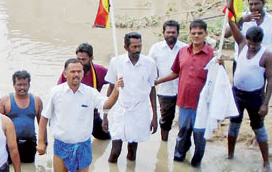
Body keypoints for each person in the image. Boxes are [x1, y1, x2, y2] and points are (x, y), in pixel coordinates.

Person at [39, 58, 123, 172]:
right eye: (72, 72)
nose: (76, 74)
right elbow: (44, 118)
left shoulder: (90, 93)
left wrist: (116, 90)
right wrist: (41, 142)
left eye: (79, 71)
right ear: (65, 74)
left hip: (83, 145)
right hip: (61, 144)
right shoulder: (55, 92)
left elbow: (107, 105)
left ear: (83, 73)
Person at [155, 20, 215, 168]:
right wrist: (158, 81)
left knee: (199, 135)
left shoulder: (213, 55)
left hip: (202, 104)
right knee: (182, 133)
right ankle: (179, 161)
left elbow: (217, 80)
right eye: (193, 33)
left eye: (200, 33)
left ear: (205, 34)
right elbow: (175, 72)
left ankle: (196, 163)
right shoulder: (182, 52)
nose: (196, 36)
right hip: (184, 102)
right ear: (189, 34)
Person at [226, 0, 272, 170]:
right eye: (250, 43)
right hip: (237, 94)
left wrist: (265, 104)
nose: (252, 46)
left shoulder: (267, 55)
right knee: (233, 126)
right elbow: (232, 24)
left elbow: (270, 80)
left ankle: (266, 162)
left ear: (260, 42)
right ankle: (230, 155)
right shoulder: (241, 44)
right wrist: (230, 6)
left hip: (255, 96)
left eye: (255, 44)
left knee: (259, 129)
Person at [105, 32, 159, 163]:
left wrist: (155, 116)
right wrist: (105, 115)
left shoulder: (149, 63)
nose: (137, 50)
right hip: (120, 109)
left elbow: (152, 89)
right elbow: (110, 91)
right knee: (115, 151)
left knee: (132, 151)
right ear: (126, 47)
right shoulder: (116, 62)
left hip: (139, 110)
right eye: (134, 47)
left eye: (139, 46)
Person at [226, 0, 272, 84]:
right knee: (238, 92)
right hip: (241, 63)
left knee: (258, 93)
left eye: (256, 4)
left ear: (263, 3)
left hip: (262, 65)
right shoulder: (241, 18)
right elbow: (226, 34)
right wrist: (241, 21)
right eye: (251, 4)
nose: (253, 7)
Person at [57, 43, 111, 140]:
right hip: (73, 117)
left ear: (91, 58)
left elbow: (115, 81)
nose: (80, 63)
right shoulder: (69, 73)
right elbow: (58, 94)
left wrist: (106, 114)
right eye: (78, 59)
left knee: (106, 138)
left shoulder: (100, 71)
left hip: (92, 116)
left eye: (83, 60)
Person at [148, 20, 188, 142]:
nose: (171, 34)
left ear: (178, 33)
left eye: (173, 32)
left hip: (183, 89)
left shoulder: (185, 48)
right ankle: (163, 144)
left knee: (185, 119)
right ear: (163, 33)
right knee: (166, 119)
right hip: (165, 90)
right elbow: (150, 68)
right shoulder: (156, 48)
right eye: (168, 32)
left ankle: (183, 144)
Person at [0, 70, 43, 163]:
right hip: (10, 143)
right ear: (14, 85)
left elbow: (42, 123)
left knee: (30, 169)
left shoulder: (36, 101)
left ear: (29, 85)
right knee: (10, 169)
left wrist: (43, 142)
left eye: (25, 84)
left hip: (30, 143)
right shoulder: (5, 101)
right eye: (19, 85)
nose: (22, 87)